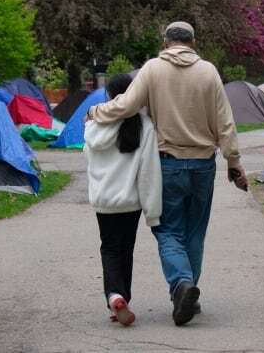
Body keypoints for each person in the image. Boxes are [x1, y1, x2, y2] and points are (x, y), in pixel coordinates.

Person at [88, 21, 248, 326]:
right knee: (195, 232)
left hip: (169, 164)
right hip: (203, 164)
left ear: (165, 43)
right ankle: (187, 292)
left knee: (169, 230)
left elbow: (126, 106)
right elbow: (225, 122)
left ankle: (182, 285)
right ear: (193, 42)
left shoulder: (152, 69)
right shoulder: (209, 71)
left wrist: (96, 112)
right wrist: (233, 160)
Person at [84, 74, 162, 327]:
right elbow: (149, 170)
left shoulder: (94, 124)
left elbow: (90, 161)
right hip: (130, 202)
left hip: (104, 200)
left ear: (109, 95)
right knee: (125, 249)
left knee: (108, 247)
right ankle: (121, 296)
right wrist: (153, 211)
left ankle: (115, 296)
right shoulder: (144, 125)